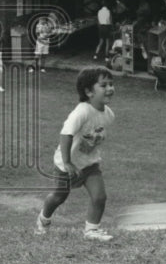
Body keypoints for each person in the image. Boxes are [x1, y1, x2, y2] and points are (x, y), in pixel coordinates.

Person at [35, 67, 116, 241]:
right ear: (88, 92)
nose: (110, 88)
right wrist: (67, 163)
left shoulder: (108, 114)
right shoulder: (82, 112)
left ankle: (91, 230)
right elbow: (66, 135)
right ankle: (43, 220)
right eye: (104, 85)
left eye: (111, 84)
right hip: (67, 166)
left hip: (89, 164)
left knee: (100, 196)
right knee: (58, 197)